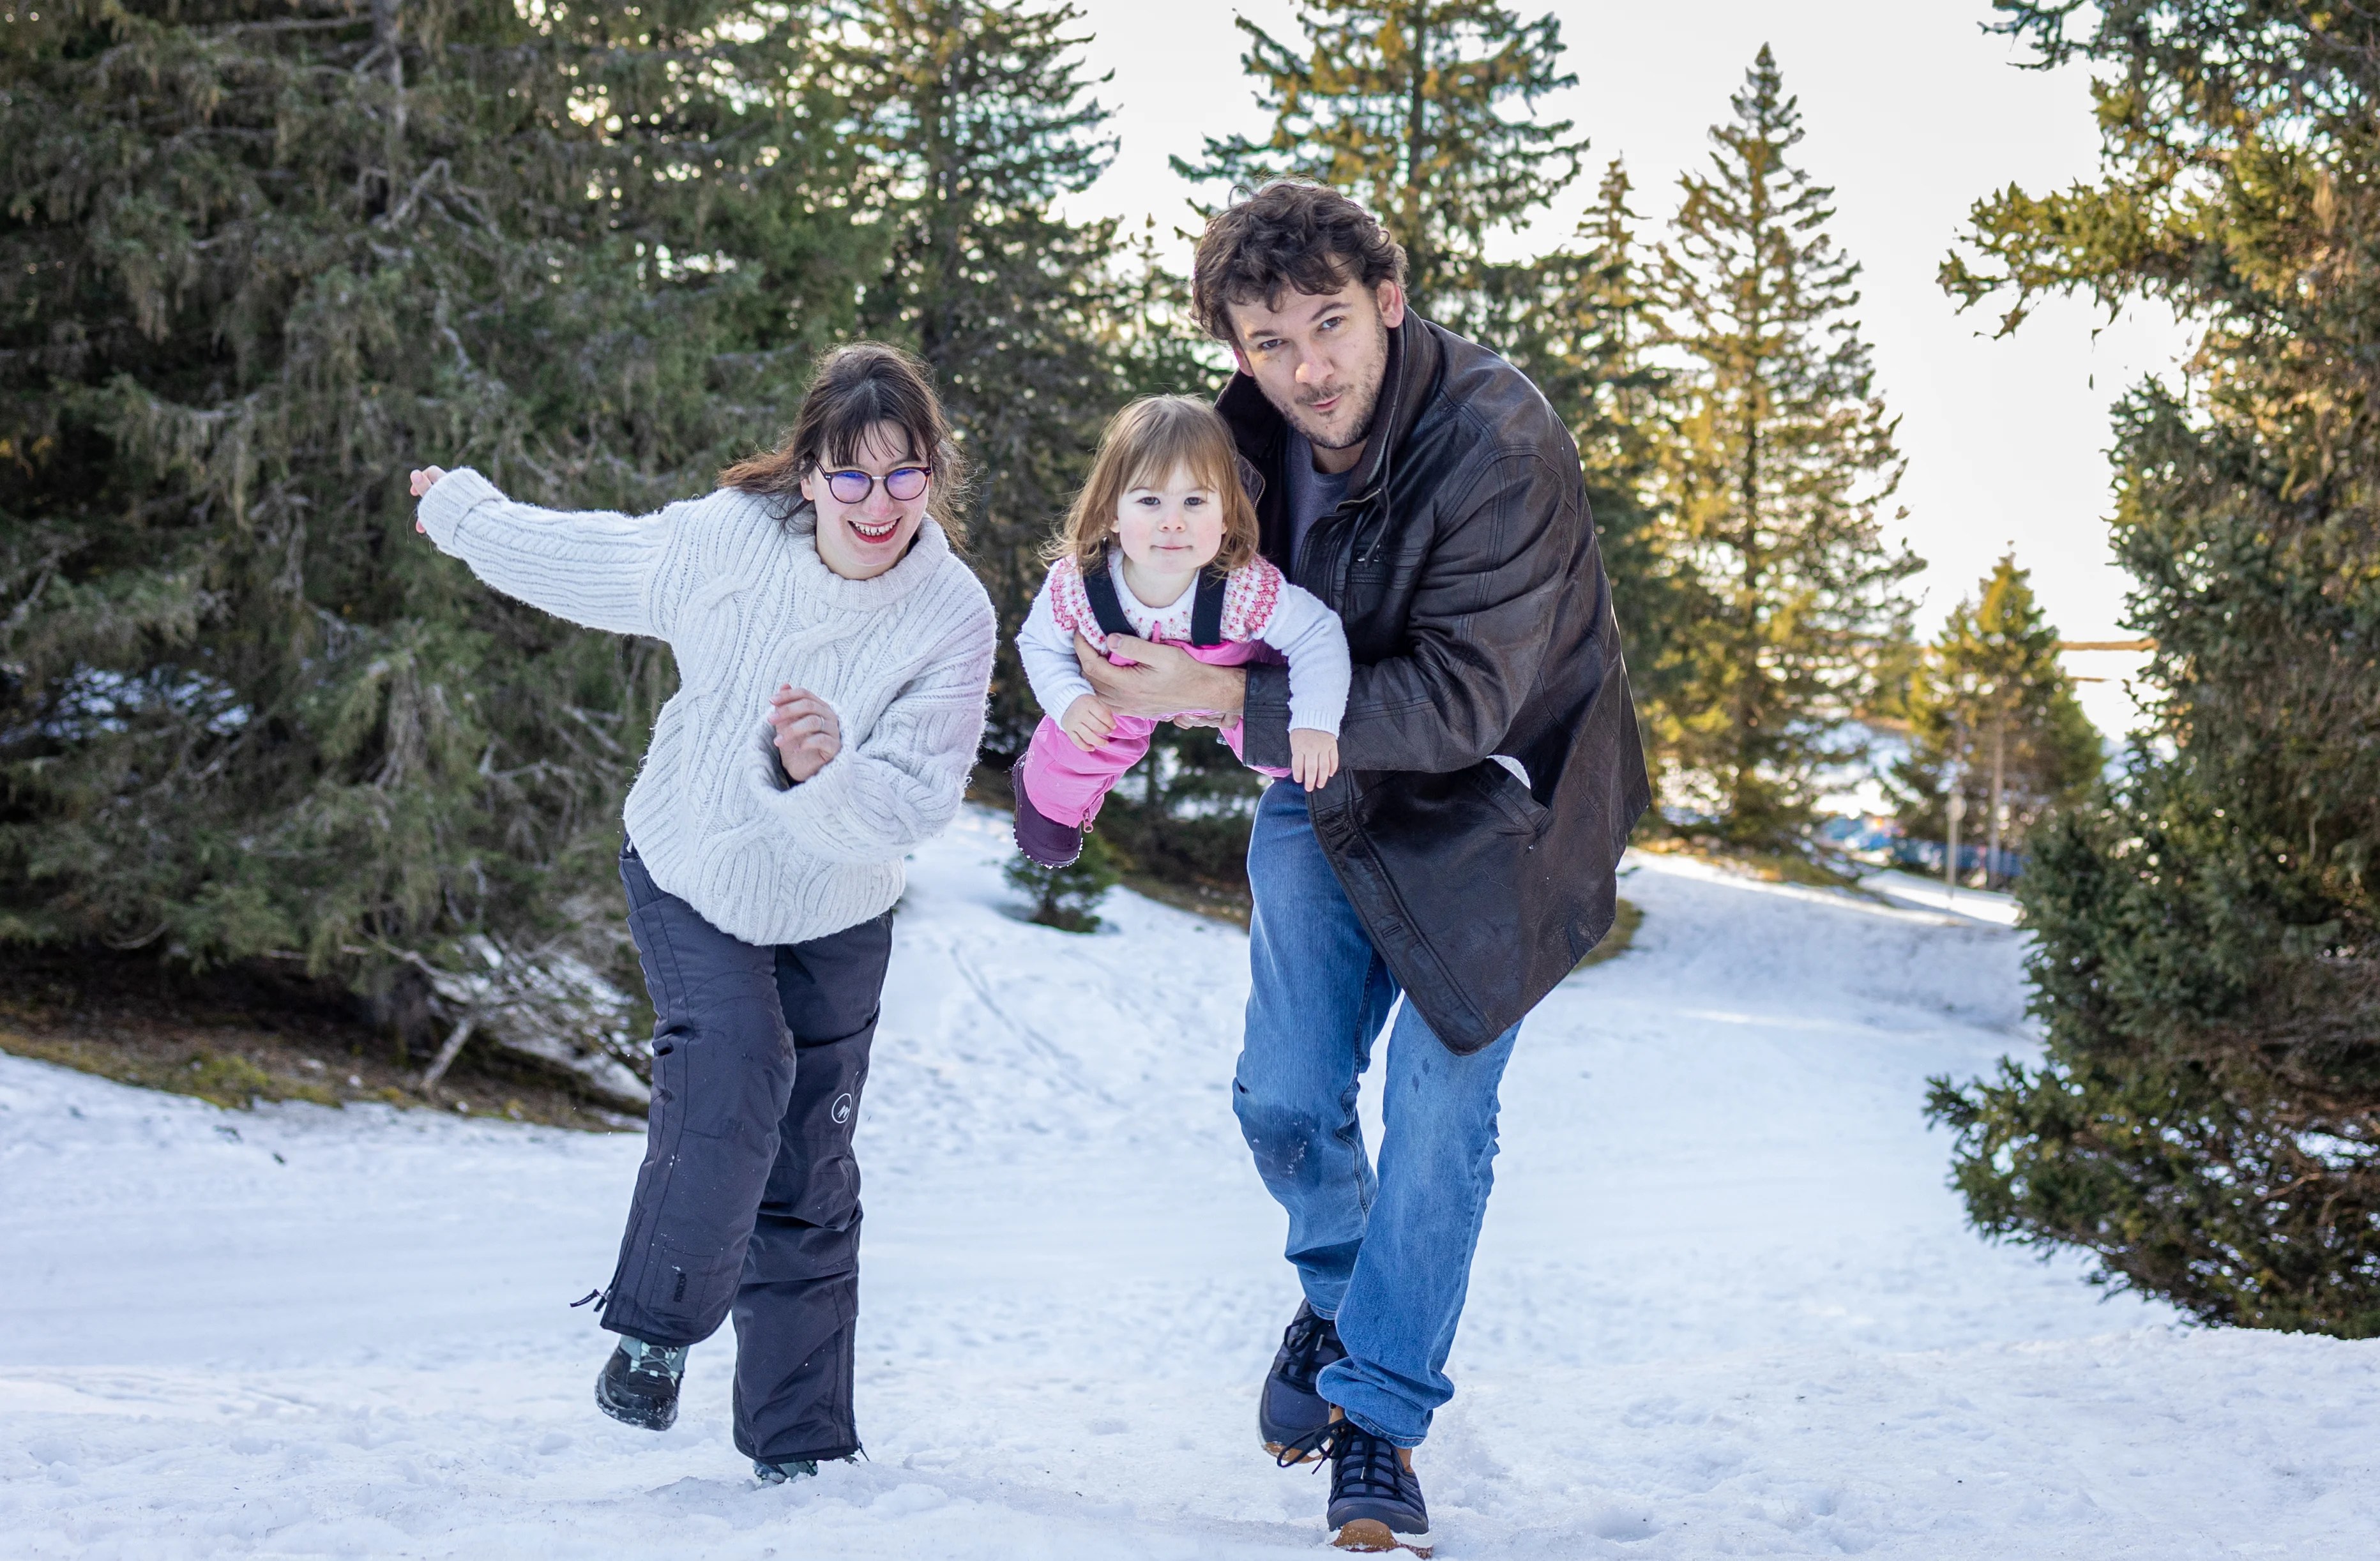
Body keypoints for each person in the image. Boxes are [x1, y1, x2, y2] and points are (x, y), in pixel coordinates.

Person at [1072, 183, 1649, 1557]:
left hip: (1505, 798)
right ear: (1233, 341)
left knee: (1441, 1105)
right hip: (1324, 785)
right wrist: (1100, 664)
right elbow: (1167, 587)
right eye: (1270, 341)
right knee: (1282, 1097)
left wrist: (1219, 709)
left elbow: (1462, 699)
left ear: (1390, 300)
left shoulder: (1500, 437)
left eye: (1330, 324)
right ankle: (1340, 1294)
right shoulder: (1237, 444)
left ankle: (1379, 1414)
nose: (1308, 368)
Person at [406, 343, 995, 1484]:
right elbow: (597, 558)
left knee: (812, 1165)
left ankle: (802, 1446)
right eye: (851, 476)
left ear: (935, 471)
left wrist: (825, 772)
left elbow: (918, 800)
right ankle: (656, 1331)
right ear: (810, 472)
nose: (878, 505)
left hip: (837, 896)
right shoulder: (729, 541)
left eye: (904, 475)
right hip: (693, 861)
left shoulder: (952, 614)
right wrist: (468, 518)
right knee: (732, 1066)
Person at [1010, 395, 1351, 868]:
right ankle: (1048, 799)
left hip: (1231, 679)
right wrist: (1068, 698)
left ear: (1227, 513)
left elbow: (1318, 634)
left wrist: (1314, 721)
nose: (1172, 522)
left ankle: (1307, 784)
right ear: (1111, 511)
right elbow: (1038, 642)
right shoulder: (1082, 583)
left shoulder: (1243, 587)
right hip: (1119, 685)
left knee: (1293, 759)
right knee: (1087, 737)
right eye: (1150, 500)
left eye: (1194, 501)